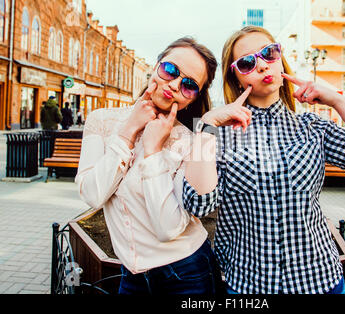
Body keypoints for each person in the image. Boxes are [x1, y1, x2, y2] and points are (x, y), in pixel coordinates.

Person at [182, 26, 345, 294]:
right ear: (236, 77)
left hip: (320, 281)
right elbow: (197, 203)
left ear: (280, 58)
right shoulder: (214, 133)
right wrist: (207, 124)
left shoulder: (313, 128)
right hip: (248, 285)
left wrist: (338, 101)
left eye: (269, 53)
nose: (263, 66)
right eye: (247, 63)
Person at [75, 37, 232, 295]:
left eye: (189, 85)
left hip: (188, 273)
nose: (173, 84)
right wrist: (128, 133)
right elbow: (92, 195)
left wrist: (153, 151)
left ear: (193, 98)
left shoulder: (190, 141)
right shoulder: (101, 121)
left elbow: (168, 228)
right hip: (132, 276)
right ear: (156, 65)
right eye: (170, 70)